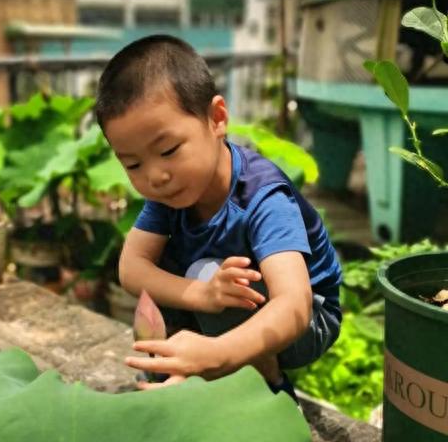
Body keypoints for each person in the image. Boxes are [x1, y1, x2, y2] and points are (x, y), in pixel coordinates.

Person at [96, 34, 342, 399]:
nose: (155, 176)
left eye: (168, 150)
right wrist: (201, 296)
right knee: (182, 273)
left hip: (308, 320)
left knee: (211, 274)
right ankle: (175, 378)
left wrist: (218, 353)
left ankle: (268, 381)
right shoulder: (170, 192)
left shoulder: (263, 197)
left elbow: (294, 305)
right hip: (223, 296)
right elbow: (131, 268)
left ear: (216, 119)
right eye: (132, 164)